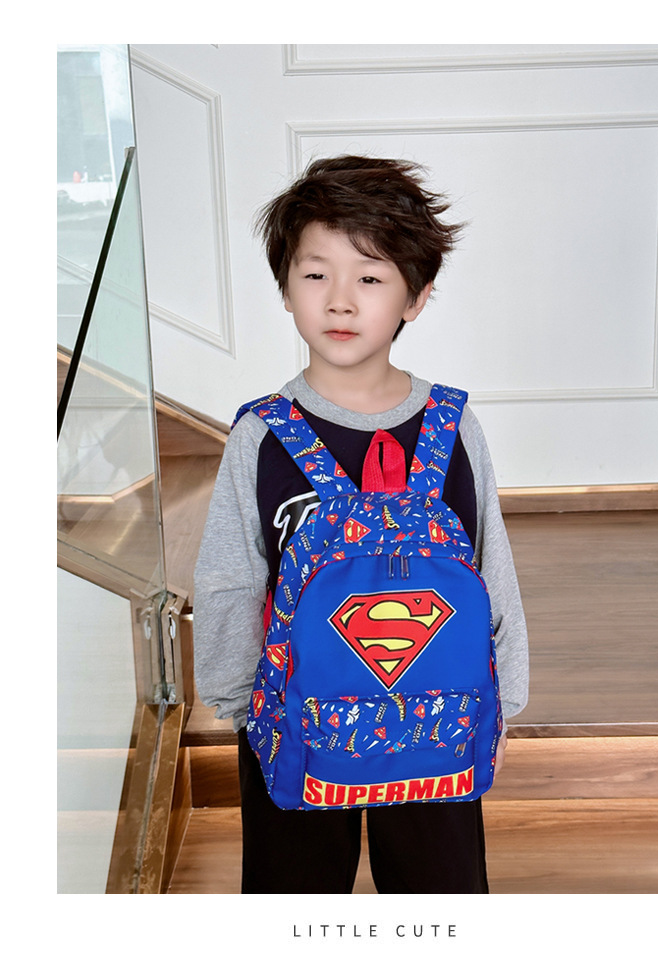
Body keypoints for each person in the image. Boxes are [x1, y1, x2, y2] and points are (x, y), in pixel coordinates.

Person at [193, 155, 528, 894]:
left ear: (417, 296)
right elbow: (230, 578)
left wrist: (503, 702)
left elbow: (490, 565)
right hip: (294, 717)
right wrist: (242, 708)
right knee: (294, 894)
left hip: (442, 715)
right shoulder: (262, 436)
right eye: (316, 274)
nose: (340, 301)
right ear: (286, 289)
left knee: (441, 895)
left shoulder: (454, 427)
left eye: (370, 279)